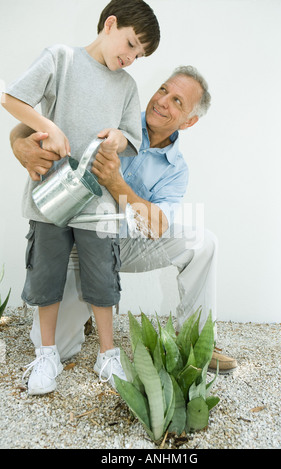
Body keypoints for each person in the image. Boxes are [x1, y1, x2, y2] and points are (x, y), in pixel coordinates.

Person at [10, 66, 237, 374]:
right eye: (162, 90)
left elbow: (157, 227)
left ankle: (196, 342)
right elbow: (33, 124)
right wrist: (18, 144)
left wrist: (116, 183)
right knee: (56, 347)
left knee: (204, 241)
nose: (162, 101)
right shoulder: (118, 116)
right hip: (81, 239)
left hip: (130, 243)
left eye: (178, 102)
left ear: (190, 121)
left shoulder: (176, 169)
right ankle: (87, 308)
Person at [1, 0, 160, 395]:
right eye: (129, 44)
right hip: (51, 196)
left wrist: (120, 137)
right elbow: (11, 98)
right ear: (110, 24)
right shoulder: (61, 59)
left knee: (103, 276)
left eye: (138, 55)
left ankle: (108, 355)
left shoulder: (127, 87)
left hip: (98, 203)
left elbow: (131, 139)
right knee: (46, 272)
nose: (130, 58)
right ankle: (47, 354)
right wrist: (47, 126)